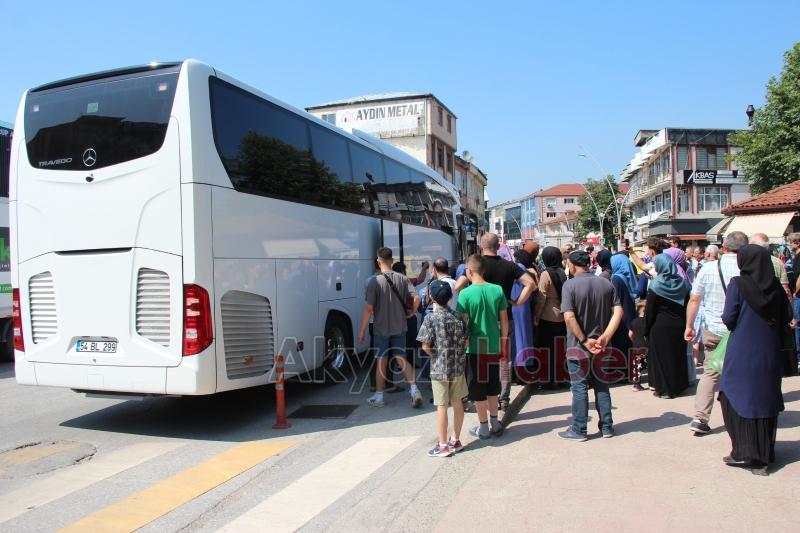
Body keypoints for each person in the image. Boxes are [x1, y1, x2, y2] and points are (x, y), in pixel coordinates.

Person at [719, 245, 794, 476]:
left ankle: (744, 451)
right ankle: (764, 454)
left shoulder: (738, 284)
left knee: (732, 395)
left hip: (742, 350)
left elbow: (729, 318)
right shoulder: (776, 288)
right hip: (769, 351)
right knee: (765, 399)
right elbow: (789, 316)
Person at [455, 233, 535, 410]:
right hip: (503, 318)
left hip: (478, 321)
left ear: (481, 247)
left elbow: (458, 286)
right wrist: (516, 302)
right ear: (498, 247)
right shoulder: (510, 266)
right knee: (504, 359)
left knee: (478, 358)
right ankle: (503, 398)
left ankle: (478, 395)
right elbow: (530, 283)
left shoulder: (475, 264)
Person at [684, 231, 748, 434]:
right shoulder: (747, 269)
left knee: (711, 373)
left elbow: (695, 299)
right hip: (741, 329)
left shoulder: (708, 269)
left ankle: (700, 418)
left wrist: (690, 325)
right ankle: (743, 415)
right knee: (742, 372)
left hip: (713, 328)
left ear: (724, 247)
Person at [558, 250, 623, 441]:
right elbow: (618, 311)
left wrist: (585, 340)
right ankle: (607, 426)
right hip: (603, 346)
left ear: (570, 264)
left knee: (579, 387)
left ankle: (579, 429)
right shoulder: (606, 283)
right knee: (602, 385)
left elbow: (568, 316)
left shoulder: (569, 286)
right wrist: (605, 336)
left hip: (578, 346)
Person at [358, 247, 423, 408]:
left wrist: (362, 330)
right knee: (401, 358)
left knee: (382, 360)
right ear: (391, 260)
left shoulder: (374, 281)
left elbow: (368, 308)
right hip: (400, 325)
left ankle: (379, 396)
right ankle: (414, 390)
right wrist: (412, 312)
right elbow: (416, 298)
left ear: (378, 260)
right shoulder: (402, 278)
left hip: (381, 328)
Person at [457, 254, 509, 439]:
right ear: (483, 270)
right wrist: (504, 343)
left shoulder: (465, 293)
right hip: (494, 345)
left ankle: (483, 427)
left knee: (478, 388)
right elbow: (504, 320)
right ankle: (495, 422)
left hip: (474, 347)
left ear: (469, 271)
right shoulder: (497, 290)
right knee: (493, 385)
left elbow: (463, 323)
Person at [417, 280, 469, 458]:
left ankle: (443, 445)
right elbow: (466, 341)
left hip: (439, 368)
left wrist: (436, 354)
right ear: (449, 297)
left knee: (441, 406)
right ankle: (456, 440)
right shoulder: (458, 316)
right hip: (458, 367)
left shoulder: (430, 318)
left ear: (431, 297)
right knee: (457, 402)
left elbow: (425, 345)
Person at [645, 254, 690, 398]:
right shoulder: (682, 283)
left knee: (662, 359)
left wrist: (646, 329)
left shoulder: (656, 284)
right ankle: (679, 385)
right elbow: (687, 305)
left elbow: (650, 311)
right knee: (677, 356)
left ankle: (665, 389)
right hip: (679, 325)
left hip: (660, 326)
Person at [534, 246, 568, 387]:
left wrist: (536, 316)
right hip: (562, 316)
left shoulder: (545, 274)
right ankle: (561, 378)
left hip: (548, 316)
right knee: (560, 350)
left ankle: (548, 380)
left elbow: (542, 298)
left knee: (547, 351)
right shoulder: (562, 272)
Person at [609, 253, 637, 372]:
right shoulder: (626, 276)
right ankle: (629, 371)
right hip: (630, 314)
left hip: (621, 317)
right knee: (627, 344)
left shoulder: (616, 278)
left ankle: (622, 372)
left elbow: (615, 299)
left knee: (620, 344)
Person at [512, 249, 538, 372]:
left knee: (519, 335)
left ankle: (521, 364)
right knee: (525, 335)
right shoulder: (527, 269)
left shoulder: (518, 268)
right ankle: (526, 362)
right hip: (524, 304)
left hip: (517, 303)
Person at [750, 233, 792, 301]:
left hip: (752, 305)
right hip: (774, 304)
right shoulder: (778, 262)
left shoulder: (746, 261)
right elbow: (785, 289)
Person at [628, 301, 648, 391]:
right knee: (650, 365)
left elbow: (630, 334)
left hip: (636, 346)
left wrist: (634, 340)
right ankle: (652, 383)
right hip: (647, 346)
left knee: (636, 366)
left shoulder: (634, 321)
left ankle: (636, 385)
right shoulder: (648, 321)